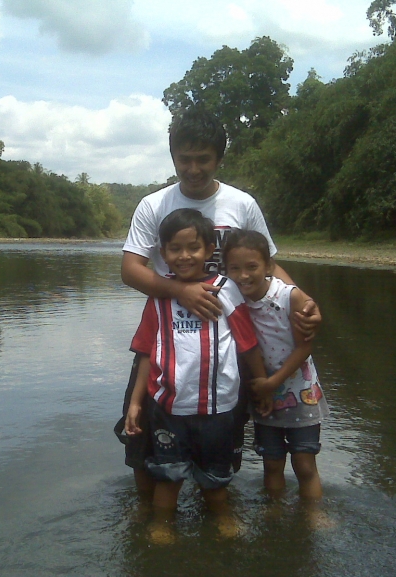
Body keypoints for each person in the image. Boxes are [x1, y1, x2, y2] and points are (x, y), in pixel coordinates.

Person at [118, 107, 321, 496]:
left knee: (223, 436)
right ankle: (147, 519)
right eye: (184, 159)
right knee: (142, 437)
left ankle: (214, 507)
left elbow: (268, 264)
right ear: (173, 156)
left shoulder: (241, 204)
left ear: (219, 158)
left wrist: (302, 300)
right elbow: (131, 269)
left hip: (231, 342)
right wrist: (181, 291)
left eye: (203, 159)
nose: (193, 168)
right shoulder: (153, 205)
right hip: (168, 343)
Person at [124, 208, 267, 543]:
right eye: (175, 248)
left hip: (219, 410)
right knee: (167, 477)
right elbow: (146, 350)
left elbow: (247, 344)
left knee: (216, 479)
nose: (184, 255)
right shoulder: (160, 297)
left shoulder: (227, 290)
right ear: (163, 254)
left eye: (193, 247)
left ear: (209, 251)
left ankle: (221, 518)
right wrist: (135, 402)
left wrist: (263, 387)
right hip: (169, 409)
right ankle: (162, 524)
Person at [222, 229, 329, 505]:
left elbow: (305, 347)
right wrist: (264, 386)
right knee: (271, 463)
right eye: (234, 268)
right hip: (264, 395)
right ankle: (275, 515)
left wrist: (274, 381)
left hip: (299, 392)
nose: (243, 275)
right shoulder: (234, 299)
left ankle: (314, 514)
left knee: (304, 464)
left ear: (269, 266)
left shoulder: (288, 297)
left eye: (252, 267)